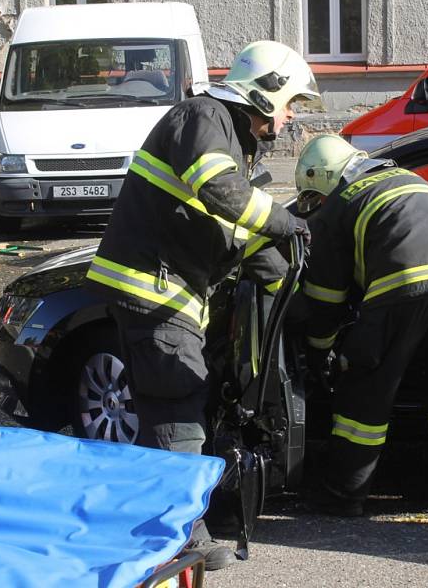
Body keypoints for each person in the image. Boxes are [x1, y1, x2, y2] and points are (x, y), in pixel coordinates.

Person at [85, 40, 318, 571]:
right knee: (177, 405)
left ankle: (151, 529)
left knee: (164, 410)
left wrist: (301, 284)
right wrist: (287, 222)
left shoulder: (230, 141)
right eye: (289, 104)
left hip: (165, 295)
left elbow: (245, 243)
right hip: (152, 291)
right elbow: (222, 193)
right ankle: (181, 537)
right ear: (266, 92)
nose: (288, 118)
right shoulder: (202, 115)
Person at [295, 134, 428, 517]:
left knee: (365, 393)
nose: (315, 208)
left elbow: (326, 298)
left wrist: (318, 351)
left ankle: (344, 495)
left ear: (324, 178)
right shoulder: (411, 179)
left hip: (400, 292)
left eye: (314, 197)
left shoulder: (342, 203)